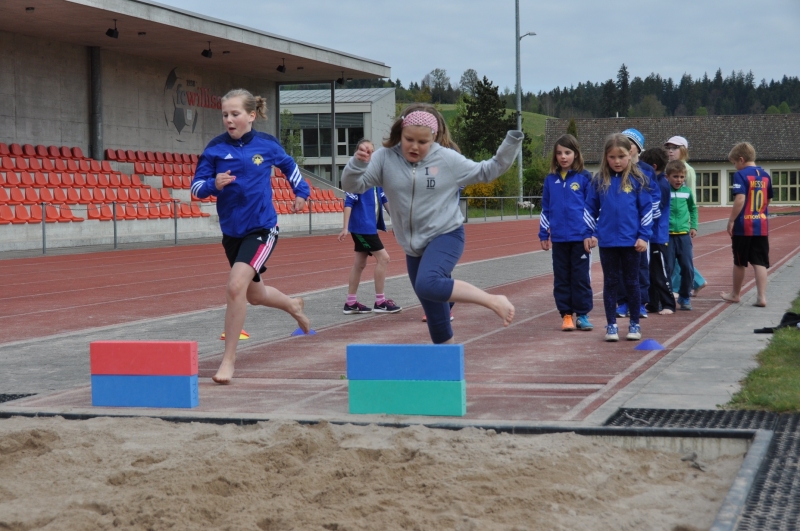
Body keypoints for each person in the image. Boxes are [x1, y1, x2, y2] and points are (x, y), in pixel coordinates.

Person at [341, 109, 522, 343]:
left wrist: (511, 142)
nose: (414, 147)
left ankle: (493, 300)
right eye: (409, 139)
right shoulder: (385, 158)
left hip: (446, 234)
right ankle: (448, 365)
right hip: (413, 247)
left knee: (427, 283)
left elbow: (488, 171)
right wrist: (358, 163)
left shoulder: (447, 159)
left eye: (423, 142)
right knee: (437, 323)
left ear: (434, 138)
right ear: (400, 133)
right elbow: (352, 186)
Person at [191, 88, 311, 384]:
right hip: (232, 232)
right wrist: (214, 185)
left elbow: (289, 165)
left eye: (235, 114)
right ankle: (292, 305)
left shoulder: (266, 144)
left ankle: (228, 361)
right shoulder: (215, 148)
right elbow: (196, 188)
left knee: (235, 287)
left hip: (262, 228)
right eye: (225, 115)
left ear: (251, 115)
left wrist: (301, 192)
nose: (229, 120)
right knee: (254, 295)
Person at [583, 134, 652, 342]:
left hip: (632, 242)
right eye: (612, 157)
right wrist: (589, 233)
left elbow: (646, 210)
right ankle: (611, 325)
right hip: (607, 242)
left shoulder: (638, 179)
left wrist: (644, 236)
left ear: (630, 155)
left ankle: (634, 324)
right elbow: (590, 209)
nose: (617, 161)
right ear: (606, 157)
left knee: (632, 282)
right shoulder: (599, 180)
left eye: (621, 156)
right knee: (610, 282)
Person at [403, 103, 458, 324]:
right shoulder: (405, 155)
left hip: (442, 223)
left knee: (435, 270)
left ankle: (445, 306)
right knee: (421, 277)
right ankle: (441, 304)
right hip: (416, 226)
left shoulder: (449, 153)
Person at [337, 139, 401, 315]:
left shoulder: (375, 177)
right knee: (384, 259)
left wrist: (396, 222)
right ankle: (380, 302)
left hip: (369, 227)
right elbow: (348, 203)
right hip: (362, 227)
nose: (369, 154)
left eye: (372, 152)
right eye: (365, 151)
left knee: (359, 264)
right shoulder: (356, 177)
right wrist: (345, 227)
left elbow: (384, 200)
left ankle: (351, 303)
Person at [538, 134, 594, 331]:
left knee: (580, 278)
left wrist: (590, 233)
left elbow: (591, 208)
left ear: (576, 154)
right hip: (559, 239)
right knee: (562, 278)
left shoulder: (584, 177)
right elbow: (546, 209)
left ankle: (583, 315)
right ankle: (567, 315)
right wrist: (544, 234)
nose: (563, 157)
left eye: (567, 152)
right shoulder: (550, 180)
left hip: (580, 238)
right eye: (559, 153)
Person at [615, 128, 661, 319]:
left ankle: (640, 302)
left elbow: (655, 197)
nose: (626, 146)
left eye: (630, 143)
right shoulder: (615, 170)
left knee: (641, 266)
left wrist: (647, 223)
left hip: (640, 229)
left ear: (638, 148)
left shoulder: (647, 170)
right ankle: (622, 301)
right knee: (619, 266)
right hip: (620, 229)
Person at [721, 142, 773, 307]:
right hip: (761, 225)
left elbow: (740, 198)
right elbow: (768, 199)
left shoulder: (741, 175)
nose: (735, 167)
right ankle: (761, 297)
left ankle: (735, 294)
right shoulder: (765, 175)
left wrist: (731, 220)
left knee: (739, 261)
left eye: (734, 163)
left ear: (741, 159)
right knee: (760, 262)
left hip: (743, 226)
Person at [664, 135, 707, 296]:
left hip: (682, 222)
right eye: (669, 148)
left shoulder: (687, 170)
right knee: (673, 259)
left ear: (683, 150)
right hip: (670, 224)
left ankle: (680, 288)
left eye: (675, 148)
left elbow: (690, 197)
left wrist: (691, 223)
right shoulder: (668, 169)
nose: (670, 151)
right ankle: (698, 282)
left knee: (680, 259)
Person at [640, 147, 675, 314]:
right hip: (651, 235)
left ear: (653, 167)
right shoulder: (656, 183)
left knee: (660, 272)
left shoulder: (661, 185)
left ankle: (668, 303)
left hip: (657, 236)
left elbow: (656, 210)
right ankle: (653, 303)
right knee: (652, 272)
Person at [664, 160, 698, 311]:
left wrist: (694, 226)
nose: (679, 180)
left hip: (684, 236)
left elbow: (693, 209)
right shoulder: (665, 191)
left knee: (687, 268)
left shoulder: (687, 192)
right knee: (668, 268)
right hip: (668, 236)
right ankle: (666, 297)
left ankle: (684, 296)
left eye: (682, 177)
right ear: (667, 177)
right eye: (675, 176)